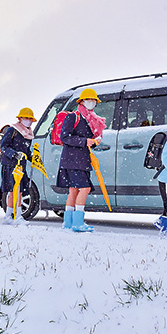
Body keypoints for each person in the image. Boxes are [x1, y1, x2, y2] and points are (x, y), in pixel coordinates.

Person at [58, 89, 107, 232]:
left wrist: (94, 141)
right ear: (81, 101)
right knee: (84, 188)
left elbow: (86, 140)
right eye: (88, 100)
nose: (91, 103)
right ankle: (78, 223)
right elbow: (65, 137)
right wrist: (84, 141)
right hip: (73, 160)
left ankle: (68, 223)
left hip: (82, 160)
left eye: (94, 101)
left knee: (73, 190)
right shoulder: (73, 117)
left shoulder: (92, 119)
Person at [0, 107, 36, 225]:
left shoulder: (29, 134)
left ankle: (8, 216)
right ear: (20, 118)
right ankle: (17, 215)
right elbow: (3, 146)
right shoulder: (12, 130)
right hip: (10, 165)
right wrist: (14, 154)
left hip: (21, 166)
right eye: (26, 118)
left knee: (18, 191)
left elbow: (26, 151)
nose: (28, 121)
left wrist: (33, 158)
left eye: (30, 119)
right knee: (15, 190)